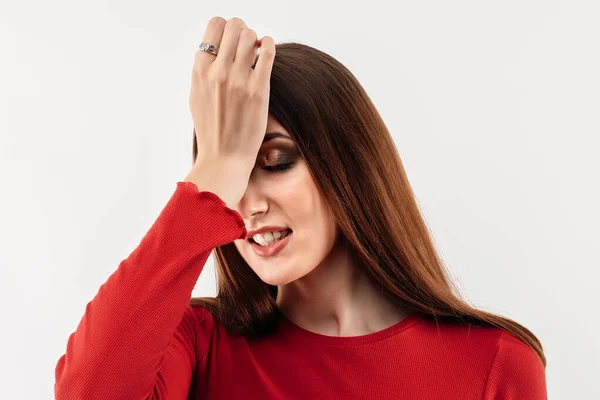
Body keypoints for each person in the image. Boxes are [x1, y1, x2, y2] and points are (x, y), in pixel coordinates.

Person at [54, 16, 547, 400]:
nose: (245, 207)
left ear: (349, 164)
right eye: (229, 182)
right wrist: (210, 173)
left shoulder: (495, 366)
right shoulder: (200, 348)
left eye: (276, 162)